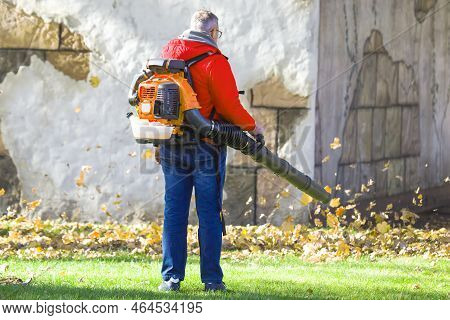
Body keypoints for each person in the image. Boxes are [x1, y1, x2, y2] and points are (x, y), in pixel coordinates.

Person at [156, 9, 263, 292]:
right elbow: (229, 106)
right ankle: (213, 281)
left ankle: (170, 279)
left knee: (174, 212)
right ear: (213, 33)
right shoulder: (215, 61)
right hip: (207, 147)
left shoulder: (168, 51)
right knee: (209, 213)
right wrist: (253, 127)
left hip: (171, 144)